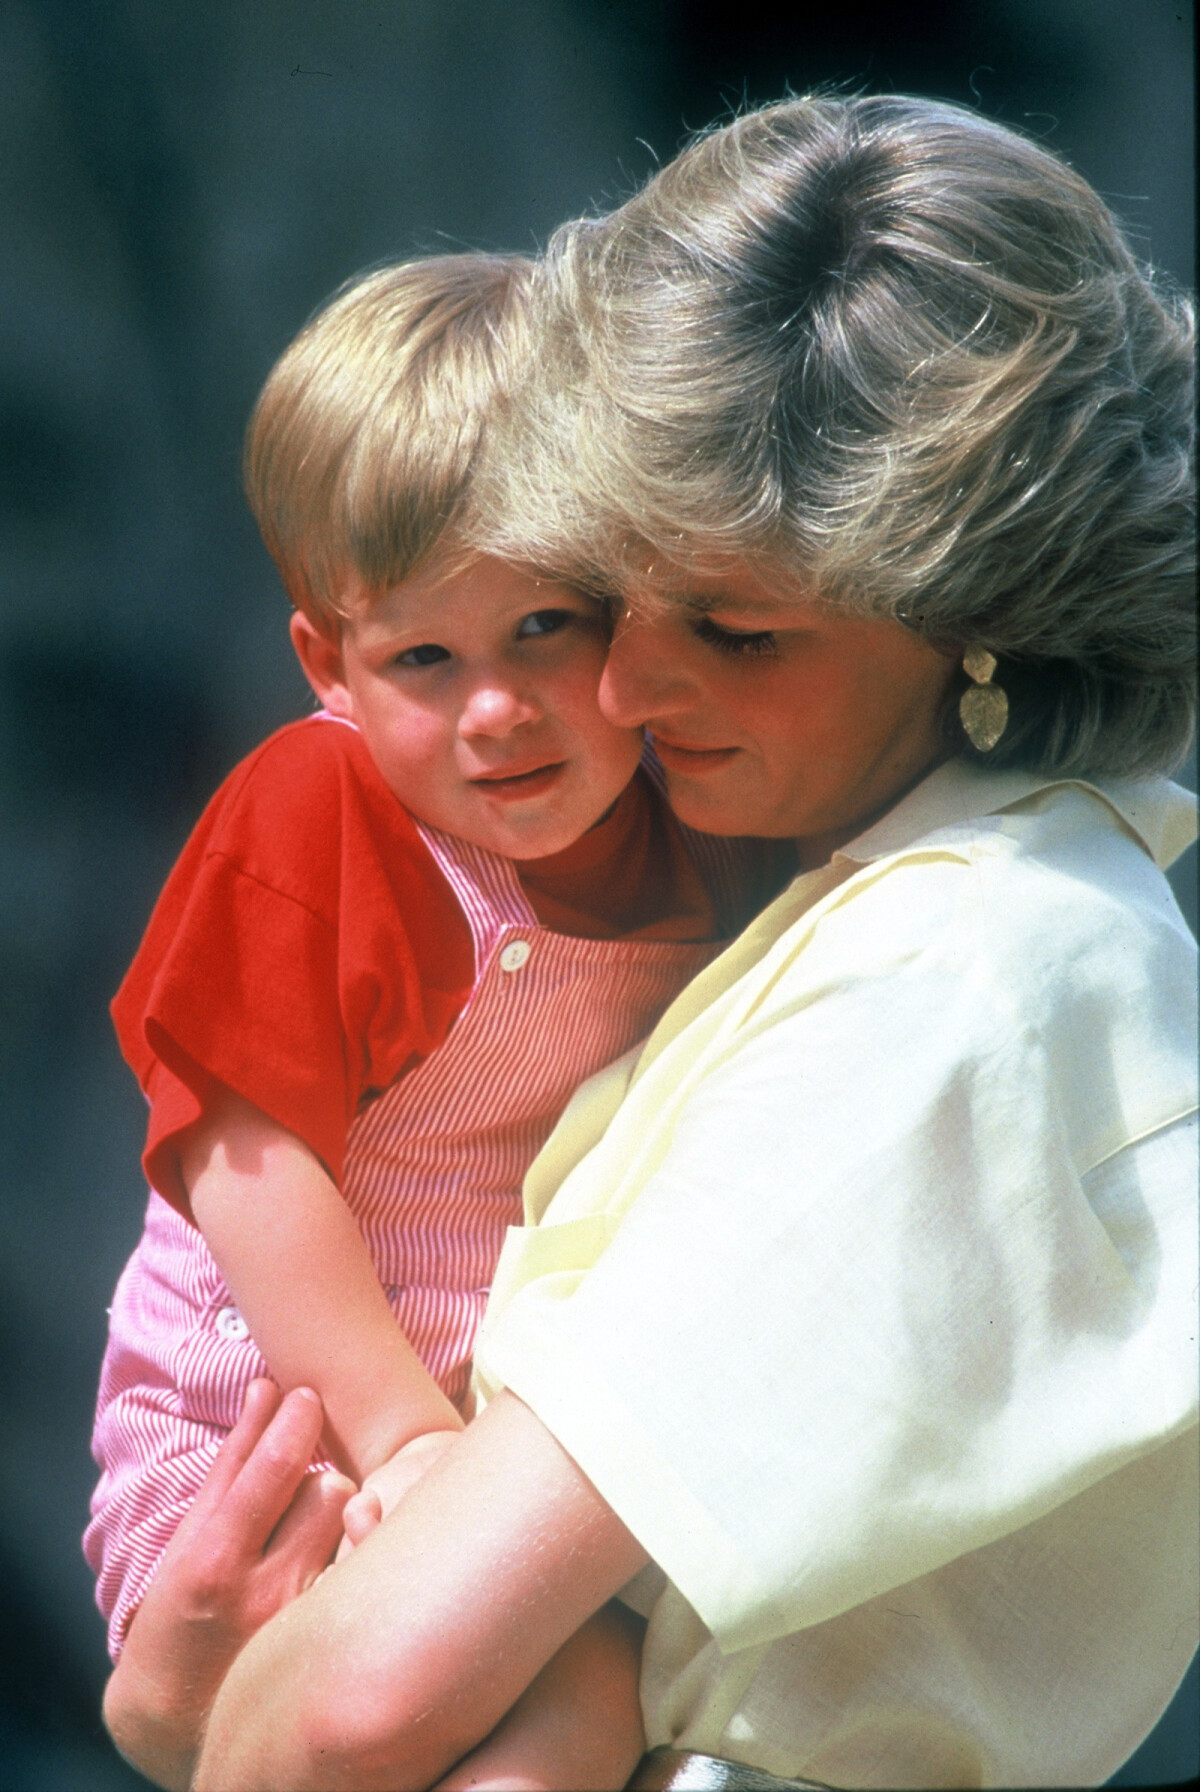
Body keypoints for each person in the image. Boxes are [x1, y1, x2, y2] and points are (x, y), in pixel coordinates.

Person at [111, 95, 1196, 1791]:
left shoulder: (974, 975)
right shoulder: (888, 898)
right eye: (620, 599)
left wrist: (187, 1716)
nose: (613, 693)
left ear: (977, 615)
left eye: (737, 633)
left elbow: (340, 1713)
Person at [88, 252, 785, 1792]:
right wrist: (398, 1438)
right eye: (426, 657)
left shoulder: (700, 821)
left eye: (548, 626)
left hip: (490, 1452)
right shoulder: (323, 807)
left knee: (581, 1717)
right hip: (262, 1421)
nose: (499, 707)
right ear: (328, 667)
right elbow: (242, 1166)